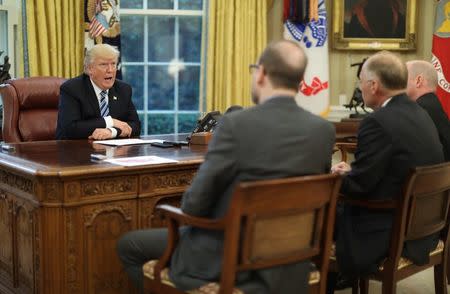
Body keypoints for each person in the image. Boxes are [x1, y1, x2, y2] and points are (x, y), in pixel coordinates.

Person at [117, 40, 336, 294]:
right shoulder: (323, 130)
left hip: (230, 258)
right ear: (299, 81)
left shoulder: (236, 124)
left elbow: (194, 205)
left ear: (262, 73)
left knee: (129, 246)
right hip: (292, 260)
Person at [329, 51, 444, 291]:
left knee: (321, 217)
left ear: (373, 85)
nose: (359, 87)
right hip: (423, 230)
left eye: (360, 81)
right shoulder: (420, 113)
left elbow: (359, 187)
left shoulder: (377, 121)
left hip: (388, 232)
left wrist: (334, 176)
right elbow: (395, 166)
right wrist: (355, 170)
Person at [56, 44, 140, 140]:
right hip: (77, 150)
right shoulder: (72, 89)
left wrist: (112, 131)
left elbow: (135, 126)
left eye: (113, 64)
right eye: (104, 64)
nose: (110, 70)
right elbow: (70, 129)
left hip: (115, 151)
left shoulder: (123, 89)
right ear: (90, 68)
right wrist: (110, 122)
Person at [406, 60, 450, 161]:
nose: (399, 84)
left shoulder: (418, 110)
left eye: (404, 78)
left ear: (418, 81)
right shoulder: (432, 104)